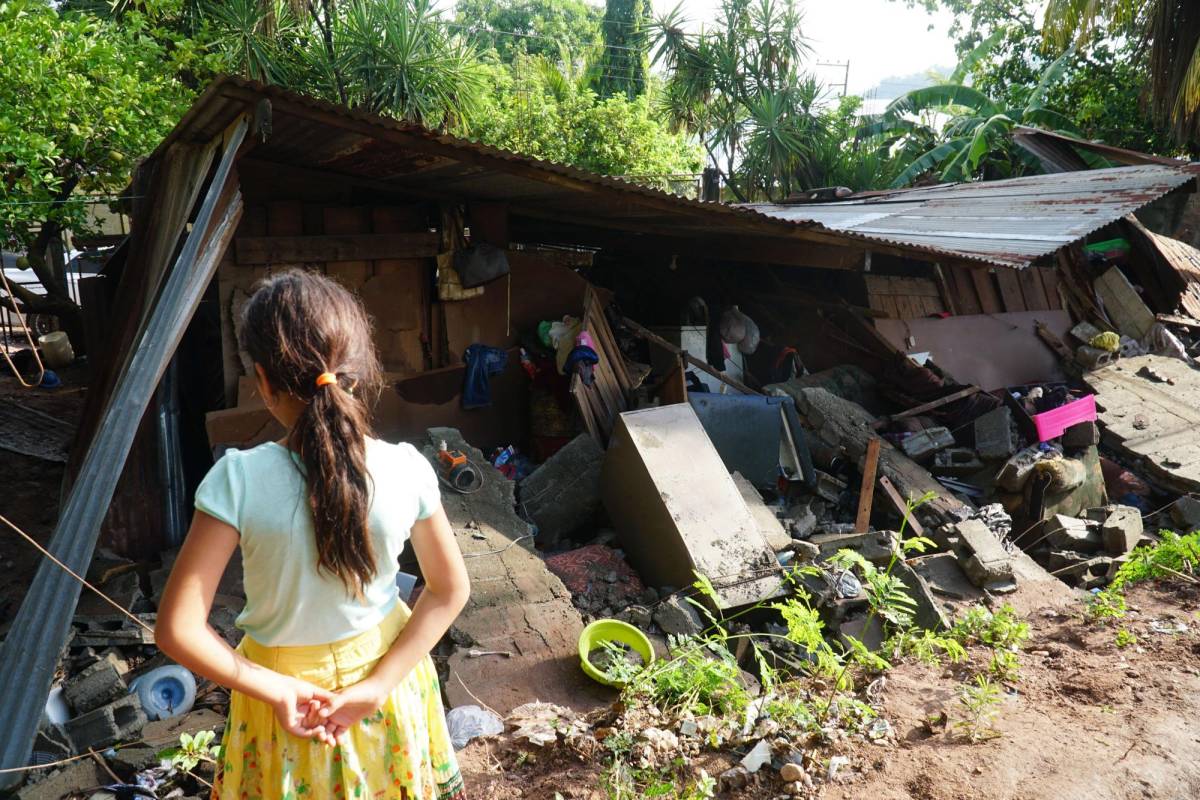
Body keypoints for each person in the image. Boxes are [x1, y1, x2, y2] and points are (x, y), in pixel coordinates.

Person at [157, 270, 470, 800]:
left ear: (262, 380)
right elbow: (448, 589)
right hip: (387, 688)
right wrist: (375, 687)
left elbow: (177, 630)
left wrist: (276, 689)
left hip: (283, 702)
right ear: (358, 371)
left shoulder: (238, 479)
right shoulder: (407, 468)